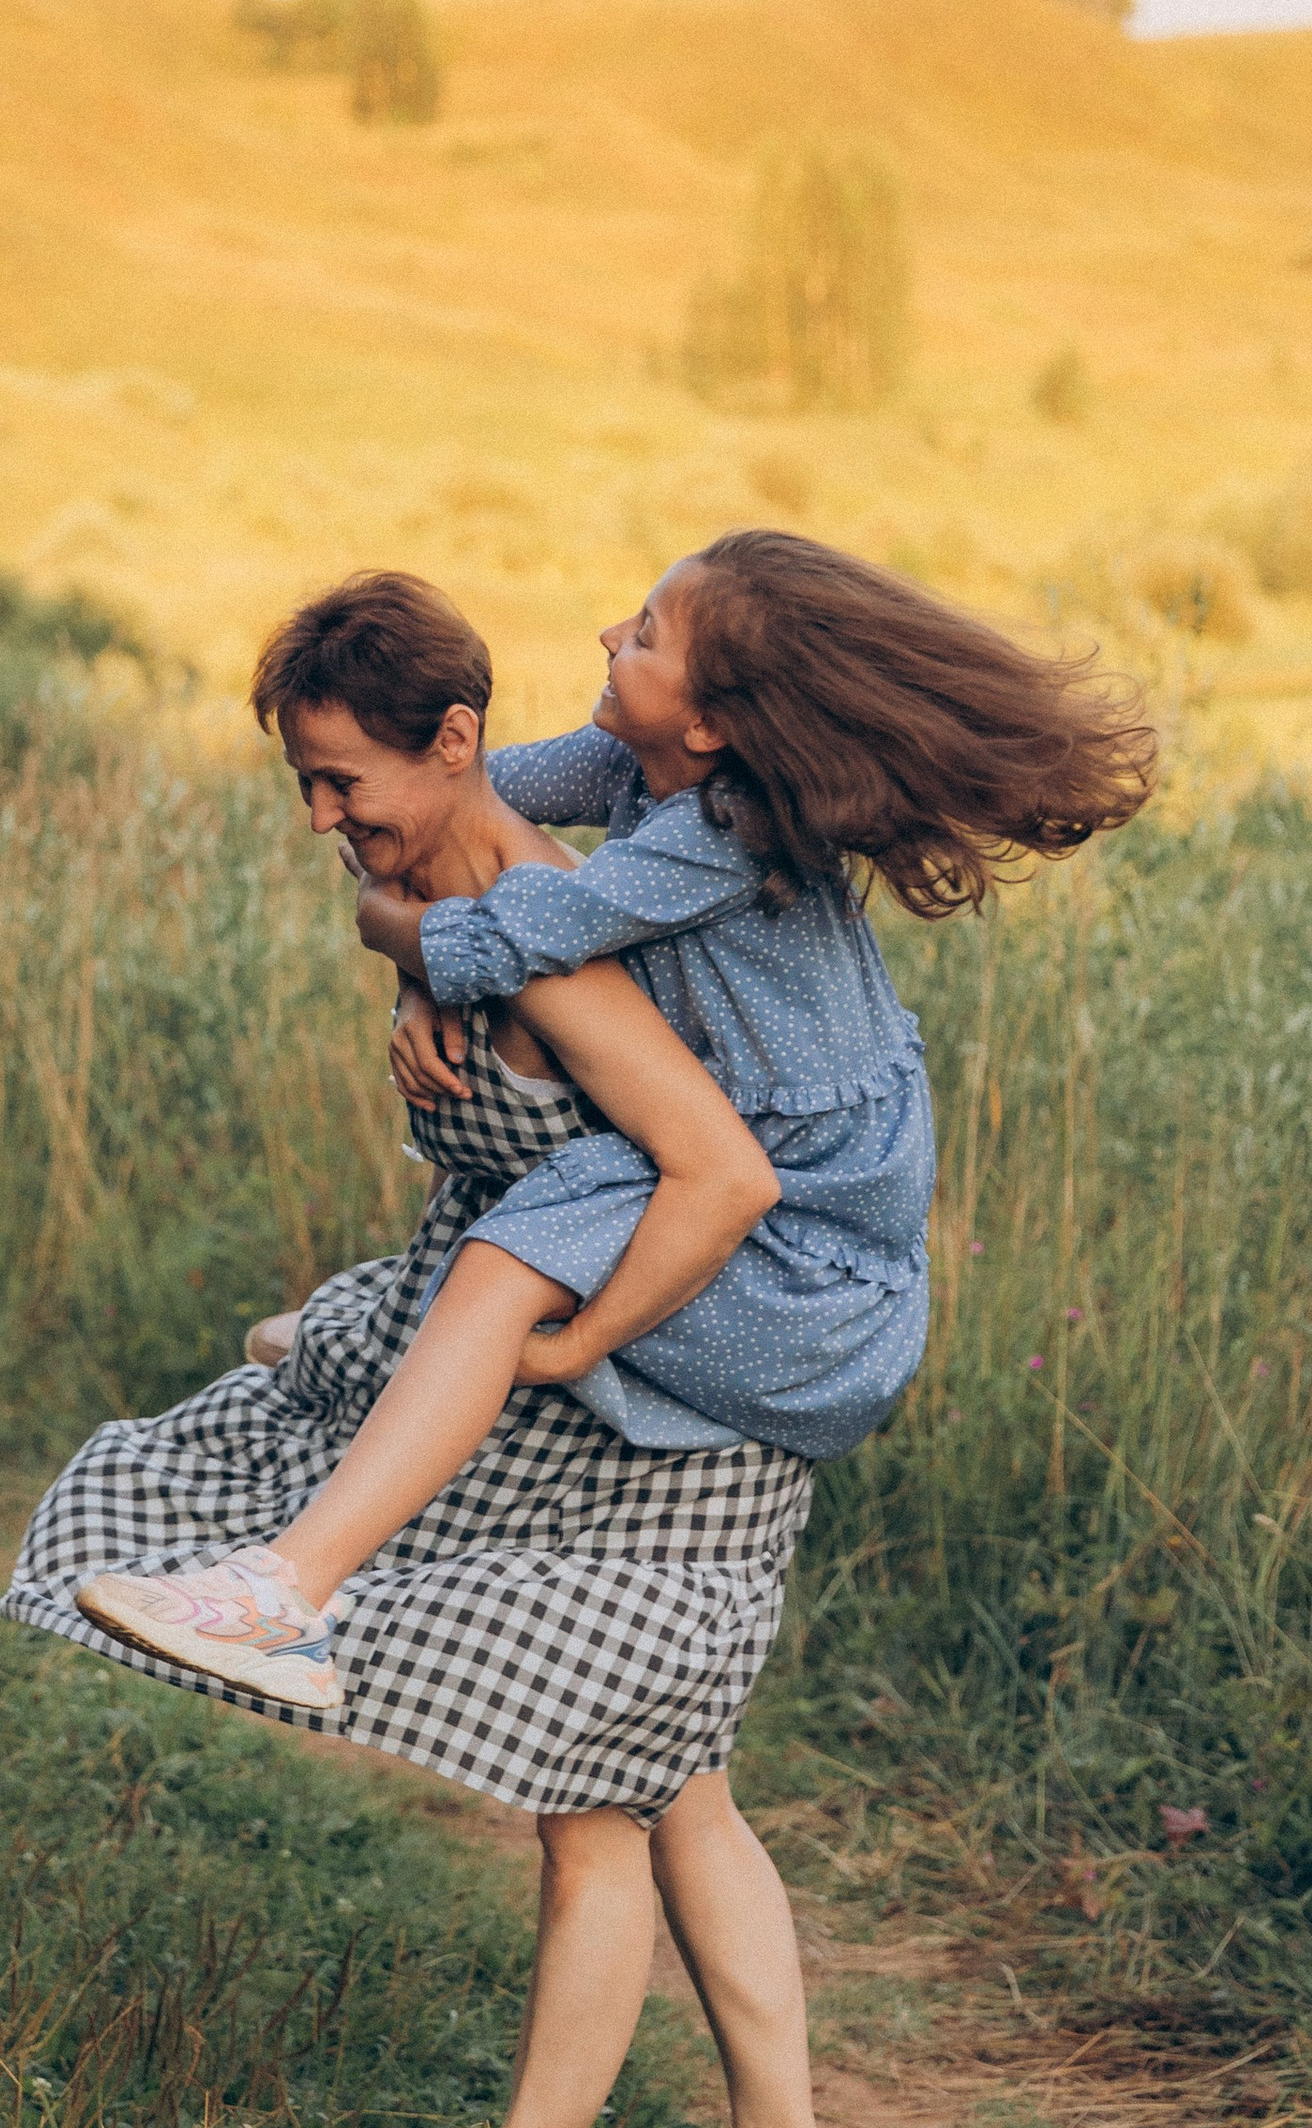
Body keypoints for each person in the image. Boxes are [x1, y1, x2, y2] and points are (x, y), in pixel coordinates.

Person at [1, 571, 842, 2128]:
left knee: (598, 1798)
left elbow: (716, 1171)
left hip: (672, 1414)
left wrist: (576, 1344)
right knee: (678, 1786)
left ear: (453, 745)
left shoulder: (547, 924)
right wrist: (417, 981)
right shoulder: (459, 893)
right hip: (606, 1394)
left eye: (344, 784)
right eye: (301, 783)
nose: (322, 818)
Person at [95, 527, 1154, 1705]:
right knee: (464, 1283)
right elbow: (455, 818)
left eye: (645, 631)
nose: (610, 633)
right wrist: (415, 973)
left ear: (707, 722)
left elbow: (514, 927)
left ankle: (287, 1594)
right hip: (759, 1194)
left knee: (506, 1263)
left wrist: (394, 943)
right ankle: (364, 1371)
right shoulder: (627, 774)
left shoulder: (719, 833)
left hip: (811, 1259)